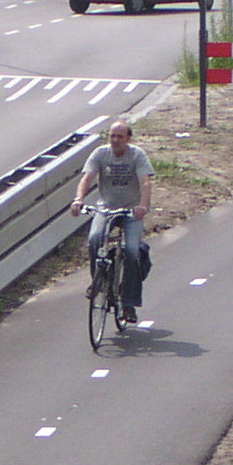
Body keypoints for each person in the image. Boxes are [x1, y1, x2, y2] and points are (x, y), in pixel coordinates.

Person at [70, 118, 152, 322]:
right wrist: (79, 199)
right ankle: (100, 283)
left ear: (128, 138)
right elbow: (87, 178)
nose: (115, 140)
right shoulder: (100, 154)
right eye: (112, 136)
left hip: (130, 212)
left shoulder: (137, 155)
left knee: (132, 251)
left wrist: (142, 206)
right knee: (95, 239)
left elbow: (146, 182)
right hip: (106, 208)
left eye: (120, 136)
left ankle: (129, 303)